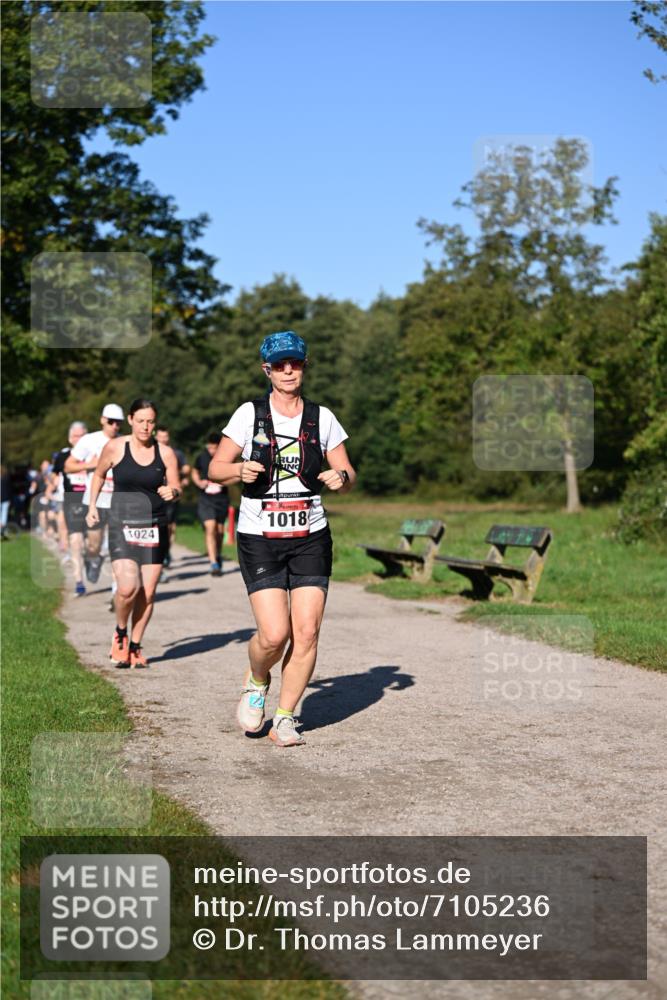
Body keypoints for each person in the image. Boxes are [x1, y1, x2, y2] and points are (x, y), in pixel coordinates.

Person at [209, 330, 356, 747]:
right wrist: (238, 470)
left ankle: (287, 717)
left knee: (306, 632)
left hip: (310, 534)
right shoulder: (248, 414)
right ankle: (257, 680)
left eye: (295, 363)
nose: (288, 371)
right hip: (260, 535)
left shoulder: (321, 417)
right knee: (274, 635)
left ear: (304, 366)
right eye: (279, 365)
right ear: (267, 370)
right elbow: (216, 468)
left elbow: (349, 472)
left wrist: (340, 477)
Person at [86, 399, 181, 669]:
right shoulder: (115, 447)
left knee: (147, 593)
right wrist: (92, 506)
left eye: (150, 421)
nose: (146, 426)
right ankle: (120, 633)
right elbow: (99, 475)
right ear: (130, 420)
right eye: (140, 420)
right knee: (128, 588)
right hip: (122, 524)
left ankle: (136, 646)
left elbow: (176, 484)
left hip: (154, 526)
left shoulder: (166, 453)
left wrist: (172, 491)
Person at [65, 404, 124, 585]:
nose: (115, 426)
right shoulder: (89, 440)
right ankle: (94, 559)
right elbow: (69, 465)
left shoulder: (125, 441)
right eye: (111, 422)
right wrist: (91, 465)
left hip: (118, 498)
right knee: (94, 544)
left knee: (118, 545)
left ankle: (117, 590)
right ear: (102, 420)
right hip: (95, 499)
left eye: (118, 423)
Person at [52, 422, 88, 595]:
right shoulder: (63, 455)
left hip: (94, 500)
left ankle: (92, 559)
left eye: (81, 436)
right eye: (75, 436)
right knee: (76, 541)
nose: (78, 439)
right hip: (72, 500)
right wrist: (50, 489)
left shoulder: (94, 453)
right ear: (69, 438)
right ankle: (79, 581)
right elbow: (54, 474)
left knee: (92, 545)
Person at [191, 432, 229, 576]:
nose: (212, 451)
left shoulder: (225, 458)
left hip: (221, 499)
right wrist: (199, 482)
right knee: (210, 527)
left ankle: (218, 555)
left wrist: (224, 481)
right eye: (210, 447)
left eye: (215, 448)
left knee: (219, 531)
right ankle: (213, 563)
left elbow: (233, 474)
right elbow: (194, 471)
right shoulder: (202, 457)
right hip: (206, 499)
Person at [155, 425, 190, 571]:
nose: (163, 440)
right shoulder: (150, 452)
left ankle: (166, 550)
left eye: (165, 437)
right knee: (157, 526)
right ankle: (159, 553)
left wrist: (182, 477)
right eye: (160, 437)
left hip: (170, 495)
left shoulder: (175, 453)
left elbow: (187, 468)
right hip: (154, 494)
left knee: (169, 526)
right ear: (156, 436)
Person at [1, 465, 12, 540]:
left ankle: (2, 532)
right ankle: (3, 531)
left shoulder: (5, 479)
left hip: (5, 500)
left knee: (2, 517)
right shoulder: (6, 478)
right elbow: (9, 490)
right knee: (3, 517)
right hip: (5, 499)